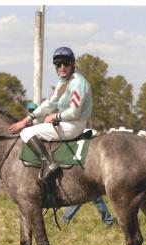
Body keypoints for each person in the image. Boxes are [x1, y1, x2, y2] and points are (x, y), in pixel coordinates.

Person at [9, 46, 93, 181]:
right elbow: (49, 104)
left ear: (73, 64)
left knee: (26, 133)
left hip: (73, 126)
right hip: (68, 123)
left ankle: (48, 163)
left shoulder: (77, 82)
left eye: (66, 63)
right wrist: (26, 120)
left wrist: (55, 116)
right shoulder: (64, 82)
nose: (62, 67)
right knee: (32, 126)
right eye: (58, 64)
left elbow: (75, 112)